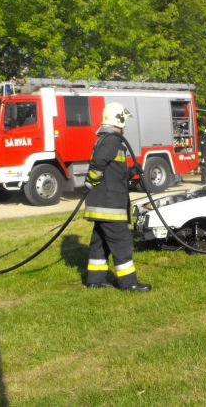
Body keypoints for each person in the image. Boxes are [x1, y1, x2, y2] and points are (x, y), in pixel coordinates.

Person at [84, 102, 151, 291]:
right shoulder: (112, 141)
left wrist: (131, 172)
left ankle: (95, 279)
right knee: (122, 242)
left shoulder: (106, 140)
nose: (125, 125)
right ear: (119, 119)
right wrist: (91, 180)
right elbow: (98, 165)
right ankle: (129, 284)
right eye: (124, 121)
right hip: (110, 205)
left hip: (102, 203)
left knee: (100, 241)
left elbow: (114, 172)